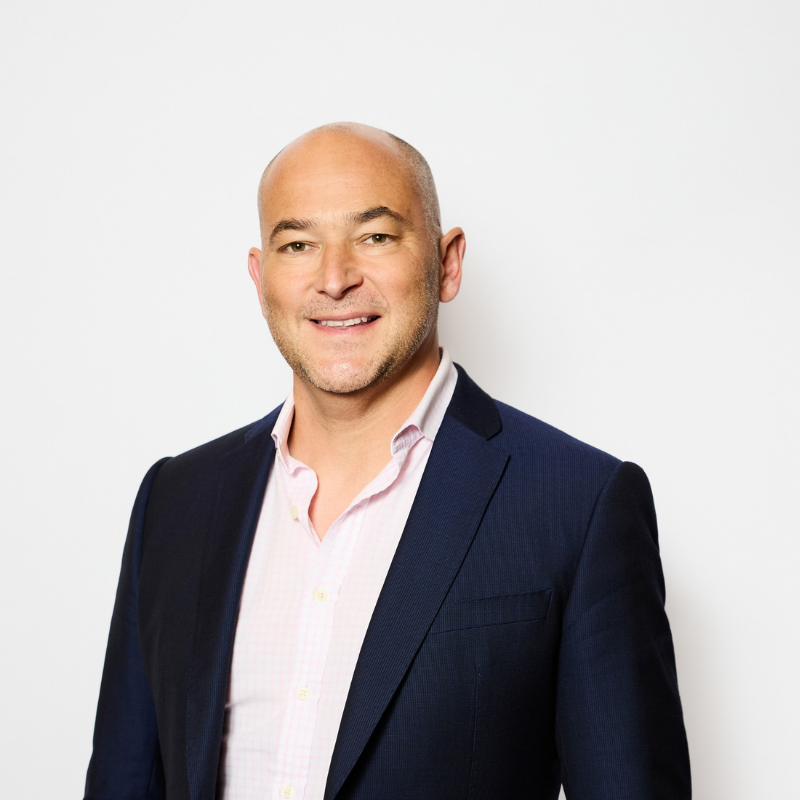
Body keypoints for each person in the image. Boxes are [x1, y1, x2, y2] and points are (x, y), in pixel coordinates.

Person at [84, 122, 691, 800]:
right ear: (261, 280)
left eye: (375, 237)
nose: (335, 278)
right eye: (298, 244)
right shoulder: (177, 500)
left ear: (447, 262)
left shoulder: (579, 506)